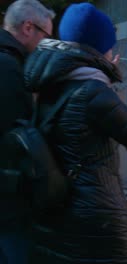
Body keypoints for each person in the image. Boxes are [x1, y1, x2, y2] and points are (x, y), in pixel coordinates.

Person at [24, 3, 127, 263]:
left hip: (55, 211)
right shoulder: (93, 92)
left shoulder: (51, 83)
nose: (113, 51)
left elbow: (89, 124)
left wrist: (105, 73)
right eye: (110, 45)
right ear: (99, 47)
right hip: (96, 216)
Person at [0, 1, 54, 263]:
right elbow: (23, 138)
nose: (47, 42)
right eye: (47, 35)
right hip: (10, 205)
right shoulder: (10, 69)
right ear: (28, 28)